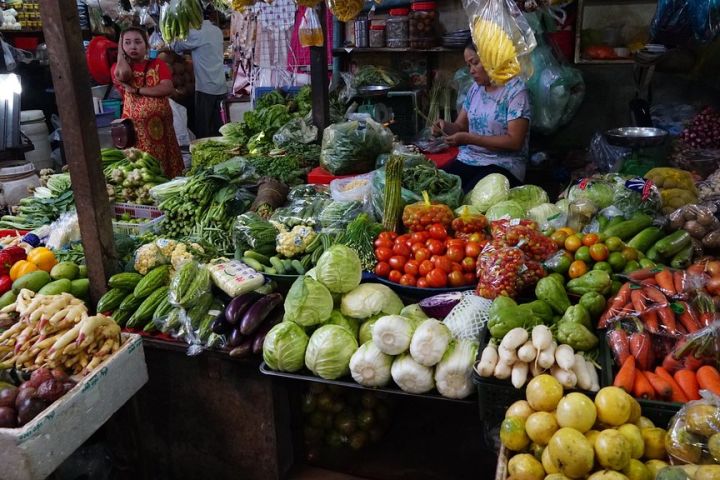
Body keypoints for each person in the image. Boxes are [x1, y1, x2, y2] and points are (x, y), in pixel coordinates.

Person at [433, 38, 531, 192]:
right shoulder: (475, 89)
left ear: (491, 58)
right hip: (471, 159)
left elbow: (515, 142)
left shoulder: (516, 90)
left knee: (467, 197)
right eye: (468, 65)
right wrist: (444, 126)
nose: (471, 70)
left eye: (475, 63)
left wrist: (469, 138)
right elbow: (460, 126)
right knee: (437, 187)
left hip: (504, 164)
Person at [112, 27, 184, 178]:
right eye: (127, 43)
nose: (133, 46)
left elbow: (167, 88)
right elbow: (123, 75)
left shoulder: (158, 64)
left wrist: (137, 90)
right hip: (136, 130)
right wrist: (120, 52)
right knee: (142, 168)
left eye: (138, 42)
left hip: (162, 129)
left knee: (166, 161)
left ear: (146, 45)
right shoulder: (120, 68)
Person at [172, 6, 227, 138]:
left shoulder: (197, 32)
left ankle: (205, 154)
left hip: (205, 87)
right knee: (221, 127)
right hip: (221, 85)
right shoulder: (216, 30)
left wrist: (177, 30)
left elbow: (176, 46)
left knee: (204, 128)